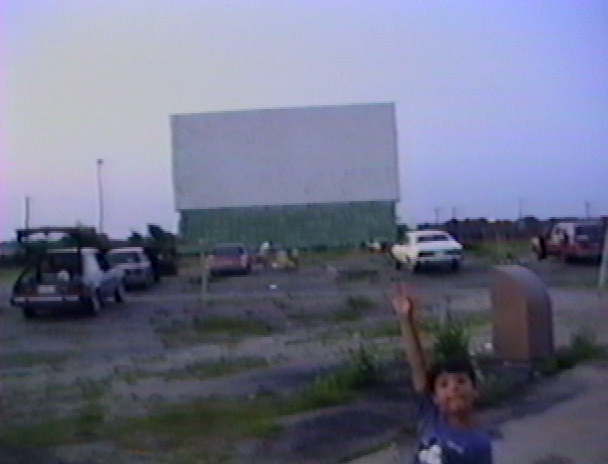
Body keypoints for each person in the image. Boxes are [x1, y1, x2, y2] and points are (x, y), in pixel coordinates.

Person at [391, 283, 492, 464]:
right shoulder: (432, 416)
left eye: (461, 381)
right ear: (435, 397)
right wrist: (406, 319)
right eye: (444, 384)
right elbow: (417, 364)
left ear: (476, 391)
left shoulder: (479, 444)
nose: (453, 388)